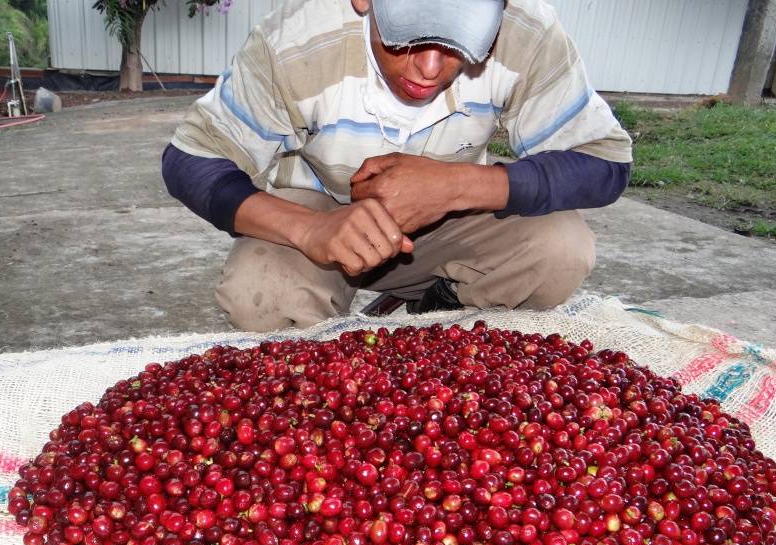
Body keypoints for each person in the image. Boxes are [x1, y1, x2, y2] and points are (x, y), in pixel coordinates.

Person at [162, 0, 632, 331]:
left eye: (458, 45)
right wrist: (308, 230)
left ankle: (439, 317)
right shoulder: (294, 41)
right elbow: (191, 159)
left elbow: (607, 162)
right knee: (258, 291)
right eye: (407, 37)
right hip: (320, 210)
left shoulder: (527, 32)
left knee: (560, 249)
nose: (428, 68)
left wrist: (457, 187)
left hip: (452, 223)